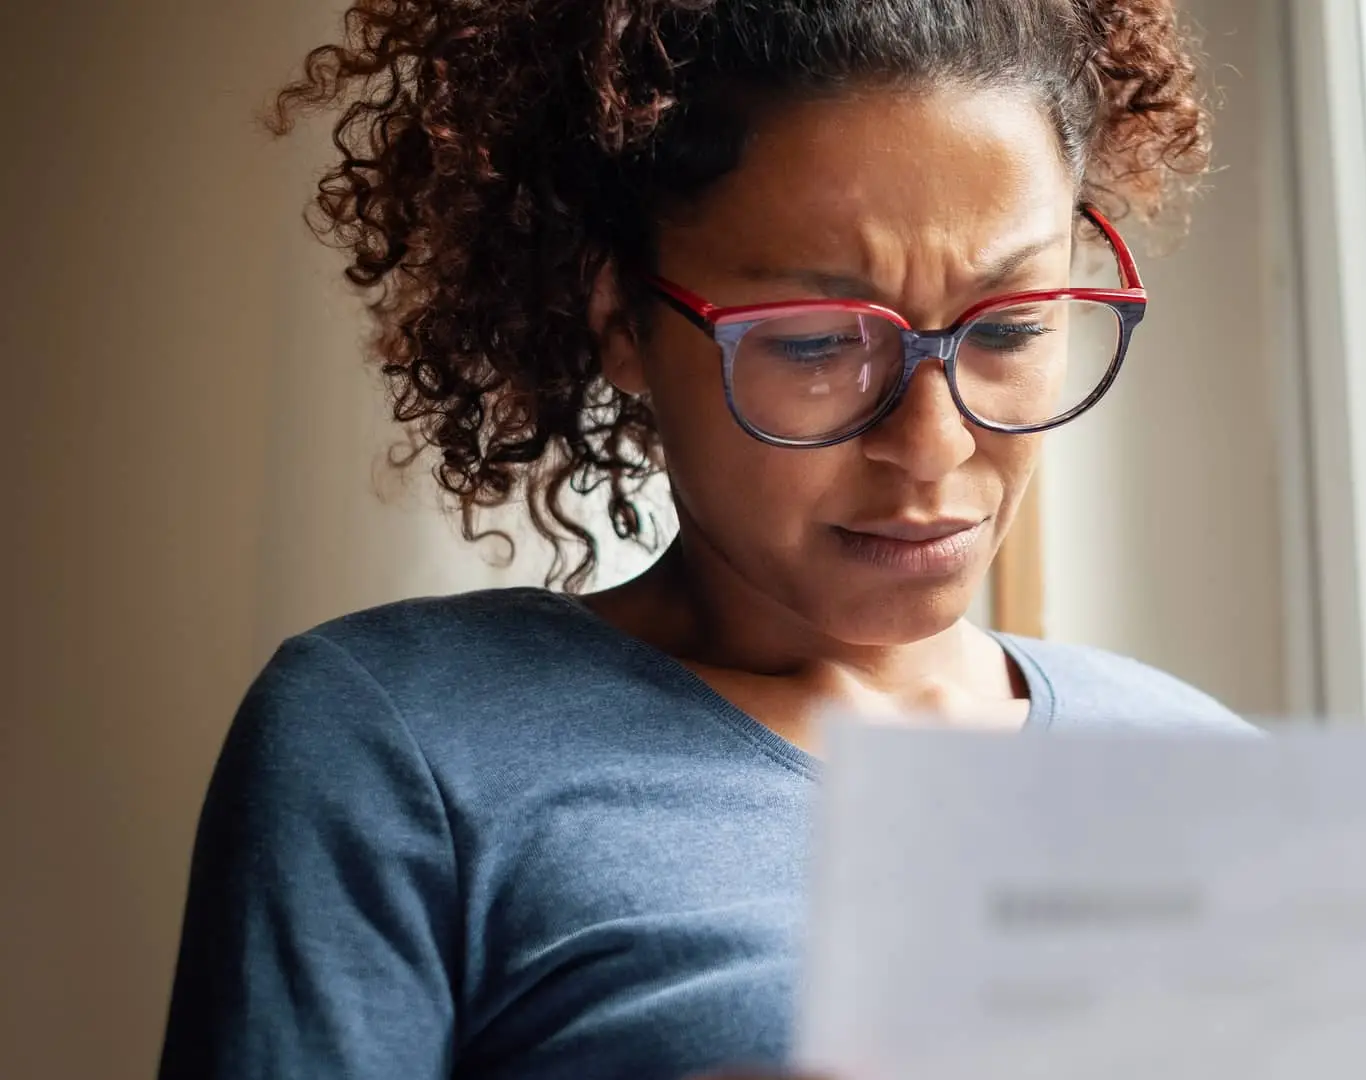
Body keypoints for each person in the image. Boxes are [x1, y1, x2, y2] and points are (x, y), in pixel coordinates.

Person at [158, 1, 1241, 1077]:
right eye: (815, 344)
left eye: (1009, 328)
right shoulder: (403, 743)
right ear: (622, 320)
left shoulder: (1206, 769)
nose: (931, 444)